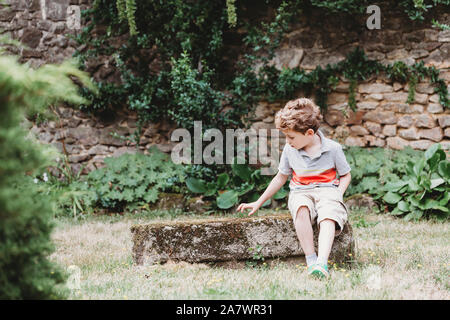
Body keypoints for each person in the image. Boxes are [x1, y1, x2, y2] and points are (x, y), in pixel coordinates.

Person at [236, 98, 352, 279]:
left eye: (291, 137)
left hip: (328, 190)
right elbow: (280, 177)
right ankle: (311, 259)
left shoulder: (333, 149)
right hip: (301, 191)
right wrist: (258, 202)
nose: (287, 141)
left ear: (309, 132)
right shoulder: (290, 150)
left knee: (328, 215)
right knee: (301, 209)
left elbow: (345, 175)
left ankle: (322, 263)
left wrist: (338, 194)